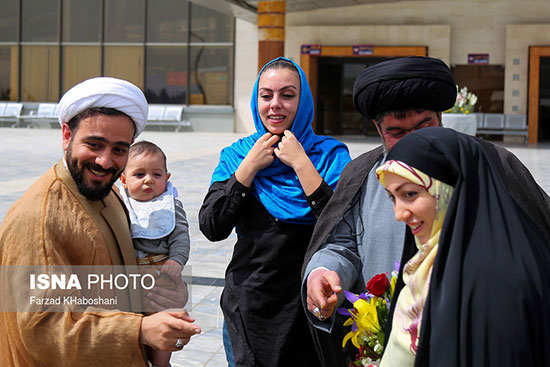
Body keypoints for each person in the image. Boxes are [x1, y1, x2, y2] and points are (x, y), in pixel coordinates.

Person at [301, 56, 550, 366]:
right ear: (379, 131)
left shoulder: (494, 167)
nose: (415, 141)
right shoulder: (362, 175)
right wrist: (324, 271)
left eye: (423, 126)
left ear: (441, 119)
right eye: (397, 132)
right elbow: (344, 242)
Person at [0, 77, 200, 367]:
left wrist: (166, 294)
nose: (105, 161)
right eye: (94, 144)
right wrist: (140, 330)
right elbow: (40, 329)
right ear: (67, 136)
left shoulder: (108, 195)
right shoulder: (39, 219)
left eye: (119, 150)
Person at [198, 56, 351, 366]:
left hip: (309, 307)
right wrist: (249, 168)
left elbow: (341, 227)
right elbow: (213, 226)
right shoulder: (237, 155)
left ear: (303, 99)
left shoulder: (331, 155)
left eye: (287, 95)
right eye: (266, 95)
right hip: (250, 306)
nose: (275, 105)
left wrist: (301, 163)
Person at [376, 127, 550, 366]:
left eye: (410, 194)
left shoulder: (496, 284)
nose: (399, 213)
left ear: (451, 189)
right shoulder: (429, 262)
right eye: (392, 197)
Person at [120, 140, 191, 367]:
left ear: (167, 178)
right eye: (139, 174)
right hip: (129, 277)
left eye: (157, 174)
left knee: (164, 320)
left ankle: (162, 363)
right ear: (124, 180)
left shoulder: (170, 205)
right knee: (132, 325)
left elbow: (180, 237)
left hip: (162, 271)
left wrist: (176, 261)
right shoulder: (120, 204)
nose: (148, 180)